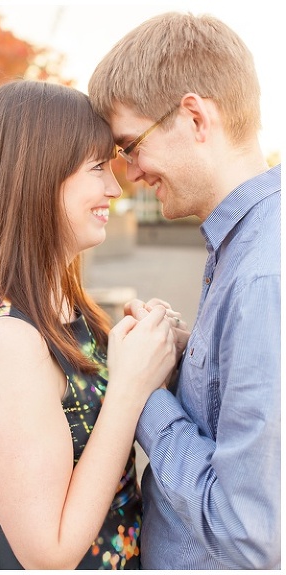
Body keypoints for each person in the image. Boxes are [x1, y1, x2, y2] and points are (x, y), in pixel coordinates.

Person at [0, 79, 180, 570]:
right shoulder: (3, 342)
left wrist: (158, 357)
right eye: (98, 167)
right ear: (35, 177)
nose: (116, 186)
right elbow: (47, 554)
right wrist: (129, 386)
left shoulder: (66, 306)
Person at [88, 12, 280, 569]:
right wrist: (185, 354)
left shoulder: (263, 275)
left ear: (195, 117)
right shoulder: (244, 245)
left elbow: (248, 532)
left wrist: (141, 390)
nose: (128, 173)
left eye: (131, 145)